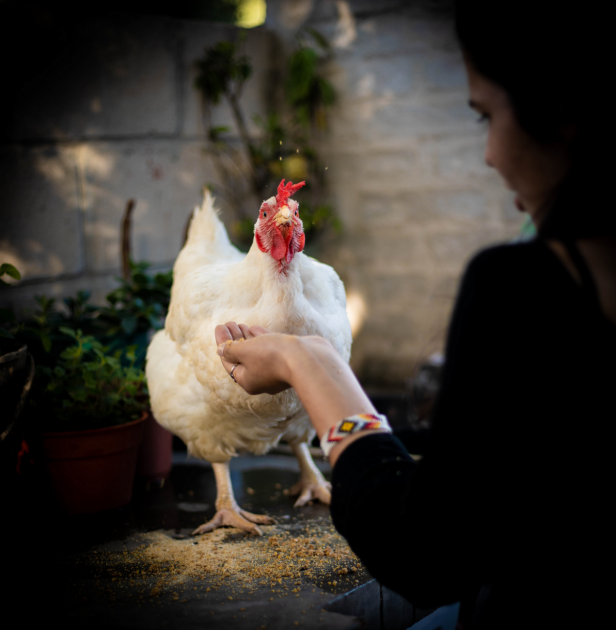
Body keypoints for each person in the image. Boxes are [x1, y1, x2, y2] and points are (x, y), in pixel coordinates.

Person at [213, 1, 615, 627]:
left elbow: (425, 554)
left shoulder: (525, 285)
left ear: (563, 112)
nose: (487, 154)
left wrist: (307, 360)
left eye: (485, 115)